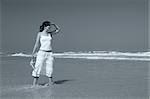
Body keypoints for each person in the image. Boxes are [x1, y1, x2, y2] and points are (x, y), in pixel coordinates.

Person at [30, 21, 60, 86]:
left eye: (49, 26)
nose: (49, 27)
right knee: (38, 67)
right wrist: (33, 54)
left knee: (50, 67)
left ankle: (50, 82)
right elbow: (36, 44)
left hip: (49, 53)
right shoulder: (40, 34)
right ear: (44, 26)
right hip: (41, 52)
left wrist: (54, 24)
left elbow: (58, 30)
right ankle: (34, 84)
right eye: (48, 26)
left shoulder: (50, 34)